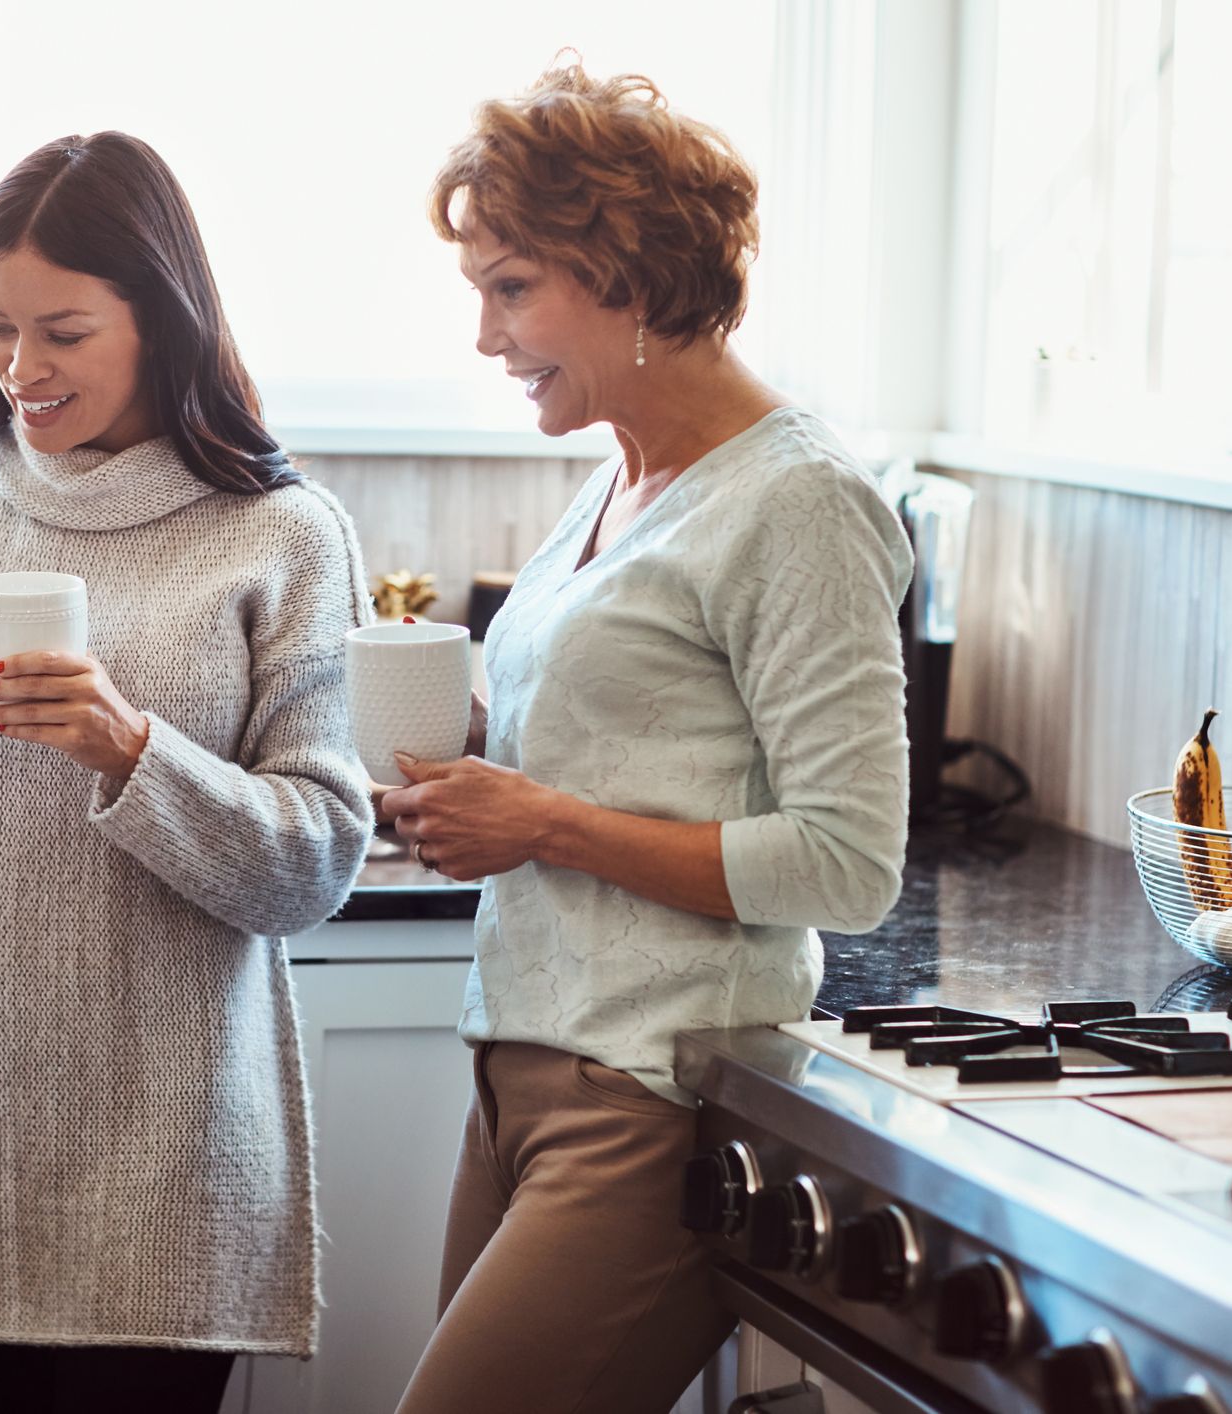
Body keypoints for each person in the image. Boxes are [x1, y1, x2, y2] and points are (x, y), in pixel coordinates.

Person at [0, 131, 372, 1414]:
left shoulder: (283, 534)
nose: (22, 369)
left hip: (168, 1152)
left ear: (163, 319)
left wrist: (132, 747)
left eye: (63, 330)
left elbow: (317, 860)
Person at [380, 66, 914, 1414]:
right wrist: (471, 779)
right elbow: (626, 741)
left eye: (510, 288)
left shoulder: (796, 502)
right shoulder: (619, 471)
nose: (489, 337)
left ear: (623, 272)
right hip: (521, 1064)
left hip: (655, 1093)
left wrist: (541, 822)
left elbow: (849, 861)